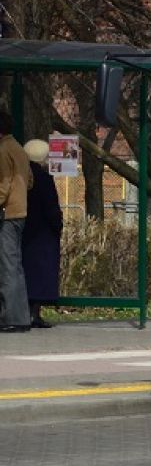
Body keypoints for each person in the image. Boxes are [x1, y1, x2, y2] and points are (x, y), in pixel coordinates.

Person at [0, 110, 34, 332]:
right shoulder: (19, 149)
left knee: (8, 267)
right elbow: (29, 181)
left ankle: (11, 318)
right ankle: (21, 316)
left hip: (7, 213)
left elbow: (3, 184)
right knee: (16, 266)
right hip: (20, 211)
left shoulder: (3, 150)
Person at [22, 139, 62, 328]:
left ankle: (26, 310)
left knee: (27, 271)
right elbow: (51, 207)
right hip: (44, 233)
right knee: (41, 274)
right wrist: (58, 225)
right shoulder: (44, 178)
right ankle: (34, 313)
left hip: (25, 230)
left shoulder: (22, 176)